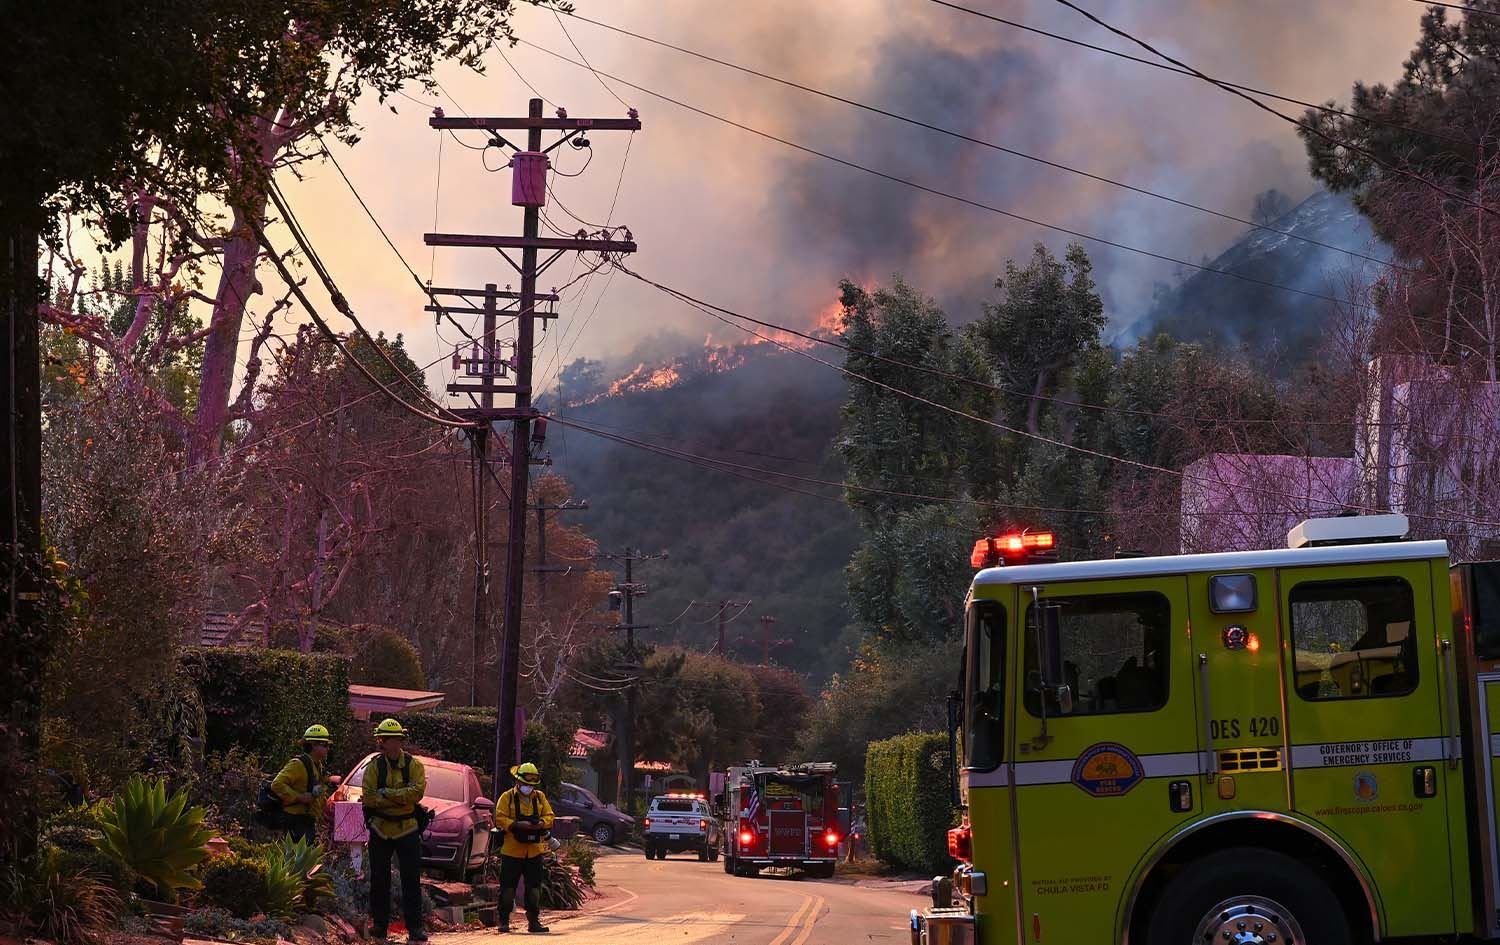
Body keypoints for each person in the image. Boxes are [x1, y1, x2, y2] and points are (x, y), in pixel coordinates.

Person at [361, 719, 428, 944]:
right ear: (382, 741)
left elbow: (416, 793)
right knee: (379, 880)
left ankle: (415, 928)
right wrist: (401, 798)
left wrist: (387, 794)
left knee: (411, 880)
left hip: (407, 829)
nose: (392, 743)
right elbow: (369, 798)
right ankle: (380, 927)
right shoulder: (374, 767)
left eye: (396, 738)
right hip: (380, 829)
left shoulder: (413, 765)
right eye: (388, 739)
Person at [493, 761, 555, 934]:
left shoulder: (539, 797)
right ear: (518, 781)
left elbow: (550, 816)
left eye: (531, 784)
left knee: (534, 889)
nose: (528, 787)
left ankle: (533, 922)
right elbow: (499, 818)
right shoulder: (507, 797)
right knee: (507, 889)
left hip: (534, 851)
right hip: (511, 851)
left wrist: (540, 824)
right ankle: (504, 921)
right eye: (525, 783)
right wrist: (516, 825)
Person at [271, 724, 333, 844]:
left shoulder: (317, 766)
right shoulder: (297, 764)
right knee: (297, 854)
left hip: (307, 820)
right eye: (325, 745)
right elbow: (277, 784)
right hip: (295, 819)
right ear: (313, 745)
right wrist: (299, 797)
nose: (328, 749)